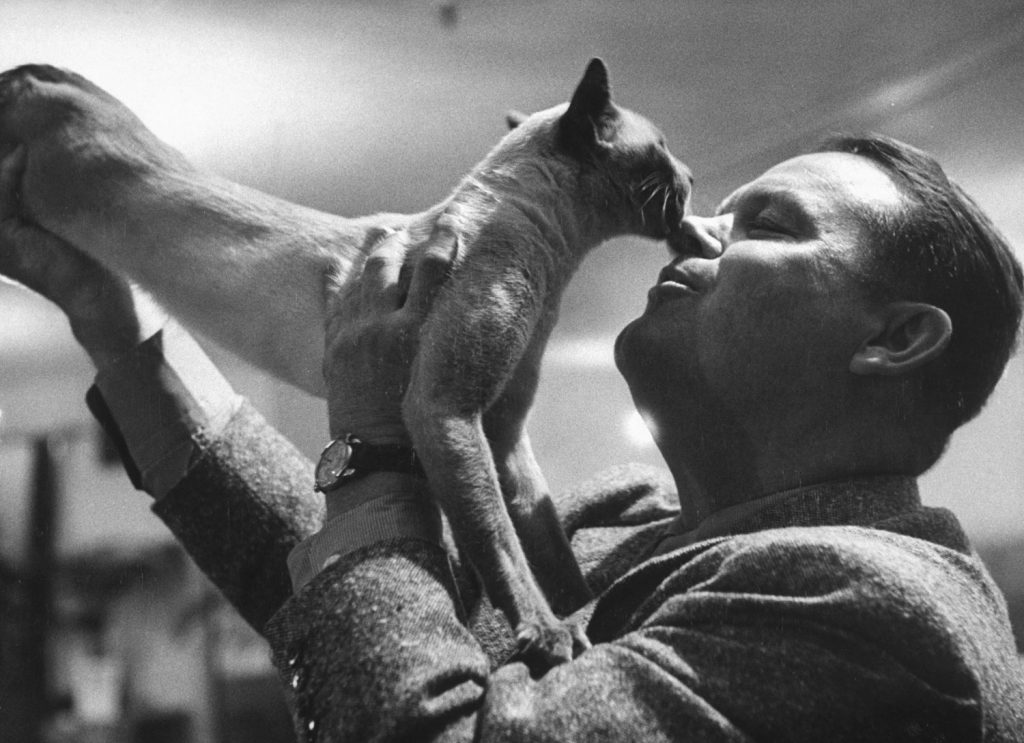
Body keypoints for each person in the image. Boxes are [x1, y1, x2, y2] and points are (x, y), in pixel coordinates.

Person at [2, 134, 1023, 741]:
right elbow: (368, 614)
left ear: (893, 337)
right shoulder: (620, 523)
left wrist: (380, 436)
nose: (700, 231)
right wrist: (119, 322)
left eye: (768, 224)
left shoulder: (876, 613)